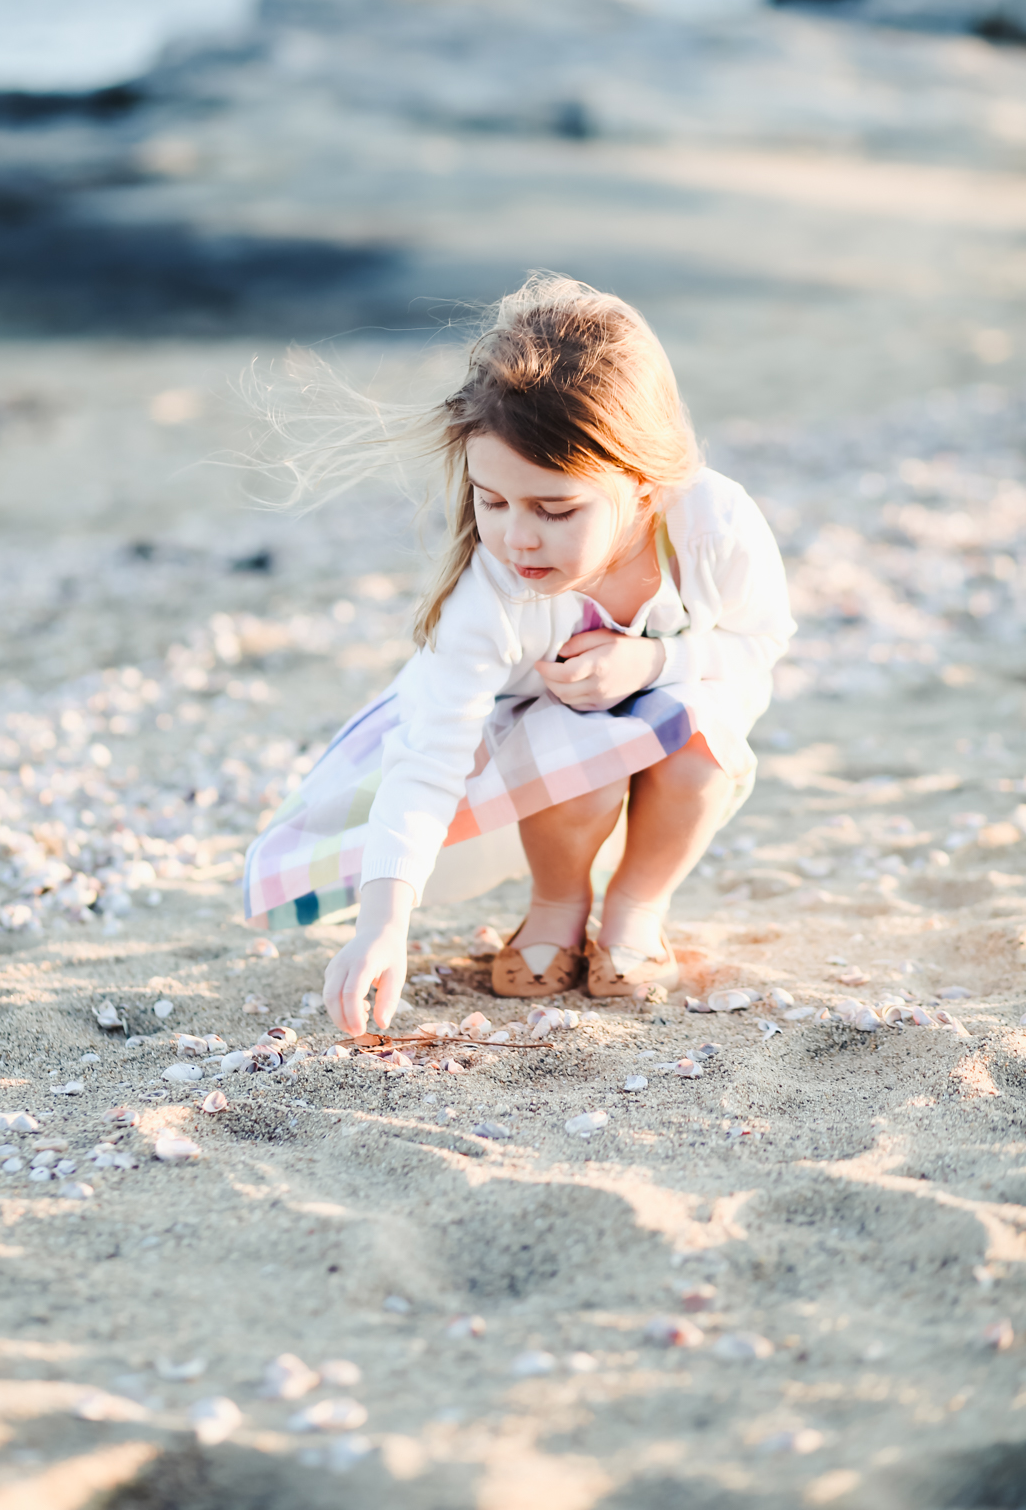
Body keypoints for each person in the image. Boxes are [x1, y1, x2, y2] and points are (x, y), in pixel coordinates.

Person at [243, 275, 794, 1037]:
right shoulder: (492, 591)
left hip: (683, 716)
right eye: (491, 501)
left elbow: (761, 642)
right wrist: (382, 927)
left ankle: (635, 908)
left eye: (555, 508)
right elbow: (429, 757)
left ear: (640, 484)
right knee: (584, 747)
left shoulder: (711, 522)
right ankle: (558, 903)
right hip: (520, 759)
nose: (517, 538)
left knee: (698, 742)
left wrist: (648, 665)